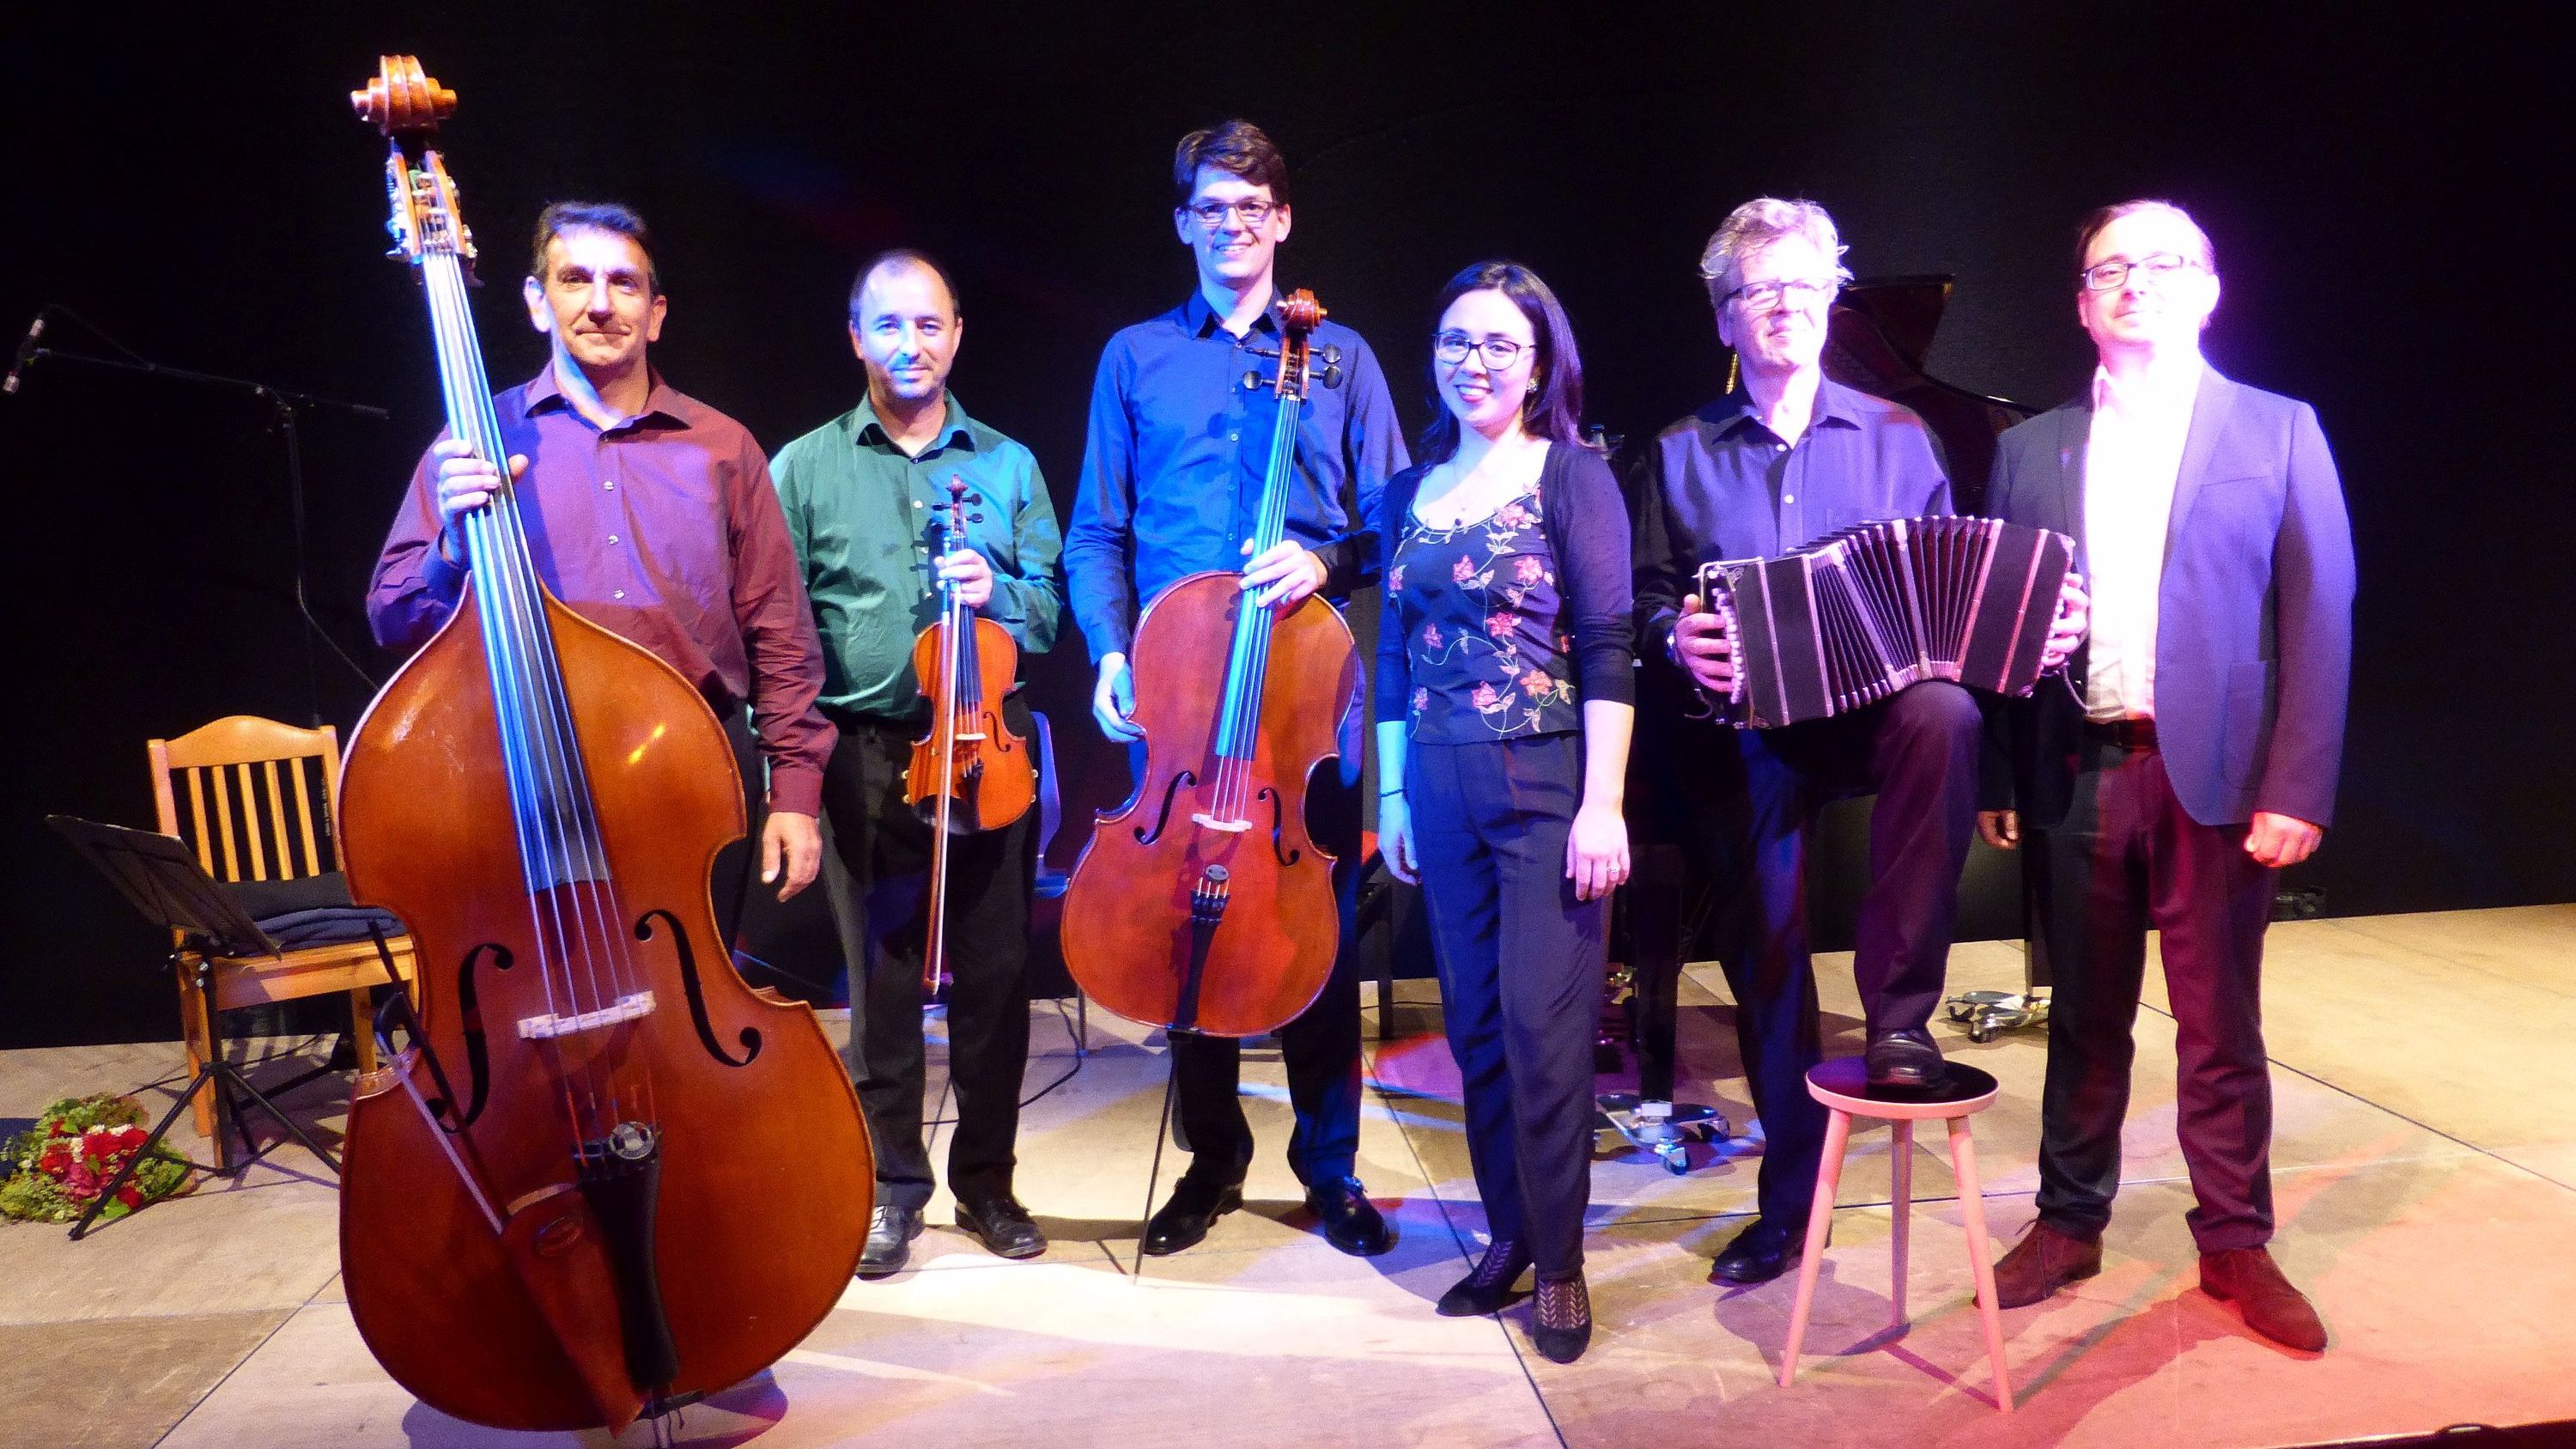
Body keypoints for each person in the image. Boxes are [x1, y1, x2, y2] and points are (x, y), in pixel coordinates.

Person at [1628, 196, 2082, 1288]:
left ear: (1834, 299)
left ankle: (1899, 1021)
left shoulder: (1899, 436)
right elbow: (1641, 598)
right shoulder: (1678, 451)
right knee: (1770, 951)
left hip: (1875, 713)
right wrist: (1675, 636)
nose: (1783, 306)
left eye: (1803, 284)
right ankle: (1790, 1206)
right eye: (1758, 291)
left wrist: (2028, 627)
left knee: (1947, 710)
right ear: (1726, 319)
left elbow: (1948, 589)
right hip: (1751, 733)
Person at [1978, 200, 2354, 1353]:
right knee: (2083, 1016)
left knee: (2217, 1023)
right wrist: (2000, 764)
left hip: (2223, 776)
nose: (2134, 282)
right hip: (2077, 763)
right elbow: (1995, 621)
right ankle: (2069, 1217)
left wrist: (2299, 782)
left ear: (2209, 285)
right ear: (2084, 303)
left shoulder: (2278, 427)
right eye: (2108, 269)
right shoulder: (2030, 447)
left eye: (2161, 262)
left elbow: (2320, 609)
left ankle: (2234, 1236)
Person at [1063, 119, 1407, 1257]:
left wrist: (1326, 559)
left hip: (1304, 695)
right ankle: (1213, 1157)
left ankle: (1334, 1164)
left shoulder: (1343, 357)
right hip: (1173, 691)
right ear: (1183, 223)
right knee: (1183, 917)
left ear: (1284, 220)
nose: (1231, 228)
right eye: (1211, 210)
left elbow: (1395, 517)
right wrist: (1112, 651)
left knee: (1316, 922)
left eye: (1251, 209)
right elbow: (1097, 529)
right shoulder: (1134, 356)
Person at [368, 201, 831, 944]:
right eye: (575, 279)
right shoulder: (475, 440)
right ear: (537, 302)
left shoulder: (724, 447)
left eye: (624, 283)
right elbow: (393, 620)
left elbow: (780, 632)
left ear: (656, 312)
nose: (600, 303)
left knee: (695, 1004)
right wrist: (451, 549)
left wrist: (797, 795)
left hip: (697, 776)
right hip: (527, 783)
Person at [771, 249, 1064, 1276]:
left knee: (994, 978)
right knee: (881, 986)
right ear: (857, 336)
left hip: (987, 748)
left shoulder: (1009, 464)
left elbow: (1051, 610)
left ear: (956, 334)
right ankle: (893, 1187)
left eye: (929, 324)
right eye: (889, 325)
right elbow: (780, 626)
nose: (911, 344)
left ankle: (988, 1184)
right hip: (863, 754)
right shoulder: (803, 468)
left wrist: (999, 595)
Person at [1375, 261, 1632, 1363]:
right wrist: (1390, 788)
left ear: (1538, 364)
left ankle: (1564, 1263)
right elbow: (1391, 652)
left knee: (1543, 1030)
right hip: (1436, 787)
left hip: (1545, 785)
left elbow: (1613, 645)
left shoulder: (1571, 476)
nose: (1472, 362)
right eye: (1454, 342)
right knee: (1474, 1032)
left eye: (1497, 345)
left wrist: (1604, 803)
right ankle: (1511, 1233)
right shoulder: (1410, 488)